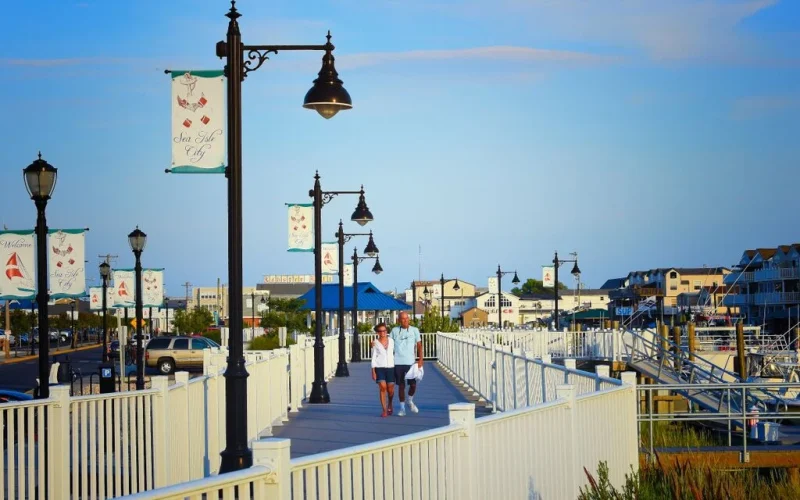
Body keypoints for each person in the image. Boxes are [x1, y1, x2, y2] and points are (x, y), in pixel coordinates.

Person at [390, 311, 423, 416]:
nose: (405, 320)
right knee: (401, 386)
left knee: (413, 385)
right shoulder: (394, 331)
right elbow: (389, 345)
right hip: (398, 362)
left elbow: (419, 346)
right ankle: (402, 408)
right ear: (399, 320)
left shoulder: (414, 330)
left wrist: (421, 359)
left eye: (406, 318)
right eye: (403, 319)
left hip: (411, 362)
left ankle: (410, 400)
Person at [370, 323, 395, 417]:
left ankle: (390, 403)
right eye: (380, 331)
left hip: (391, 367)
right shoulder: (375, 343)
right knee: (382, 387)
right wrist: (373, 370)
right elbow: (373, 357)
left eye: (384, 330)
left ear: (386, 331)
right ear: (377, 332)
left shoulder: (392, 341)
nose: (383, 332)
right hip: (379, 367)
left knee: (391, 390)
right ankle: (384, 409)